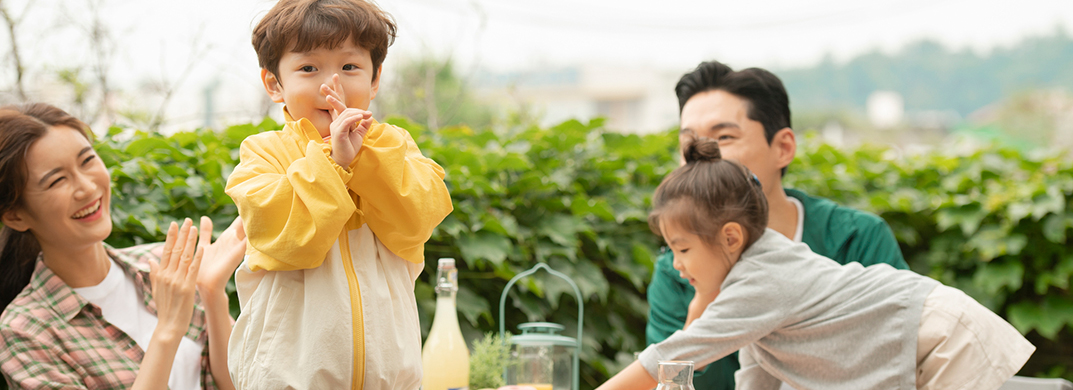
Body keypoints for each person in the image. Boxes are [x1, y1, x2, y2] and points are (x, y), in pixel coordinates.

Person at [601, 138, 1033, 390]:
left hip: (945, 338)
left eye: (682, 248)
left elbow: (672, 357)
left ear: (730, 237)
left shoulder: (761, 281)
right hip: (930, 337)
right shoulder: (755, 282)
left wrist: (699, 307)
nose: (675, 264)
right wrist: (703, 304)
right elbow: (757, 378)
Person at [224, 0, 453, 388]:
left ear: (375, 79)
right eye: (308, 68)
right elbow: (286, 239)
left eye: (350, 67)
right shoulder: (262, 154)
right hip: (287, 378)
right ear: (274, 84)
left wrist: (363, 159)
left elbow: (417, 220)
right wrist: (334, 162)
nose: (332, 85)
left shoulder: (394, 147)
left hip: (392, 379)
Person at [646, 60, 910, 389]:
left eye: (723, 137)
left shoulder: (856, 239)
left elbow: (899, 355)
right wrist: (697, 316)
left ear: (783, 147)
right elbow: (672, 379)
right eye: (690, 144)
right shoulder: (678, 271)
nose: (702, 161)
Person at [0, 103, 247, 389]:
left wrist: (212, 293)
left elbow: (238, 384)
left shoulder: (163, 265)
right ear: (15, 216)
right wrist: (167, 330)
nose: (88, 188)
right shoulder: (25, 332)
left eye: (87, 161)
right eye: (57, 180)